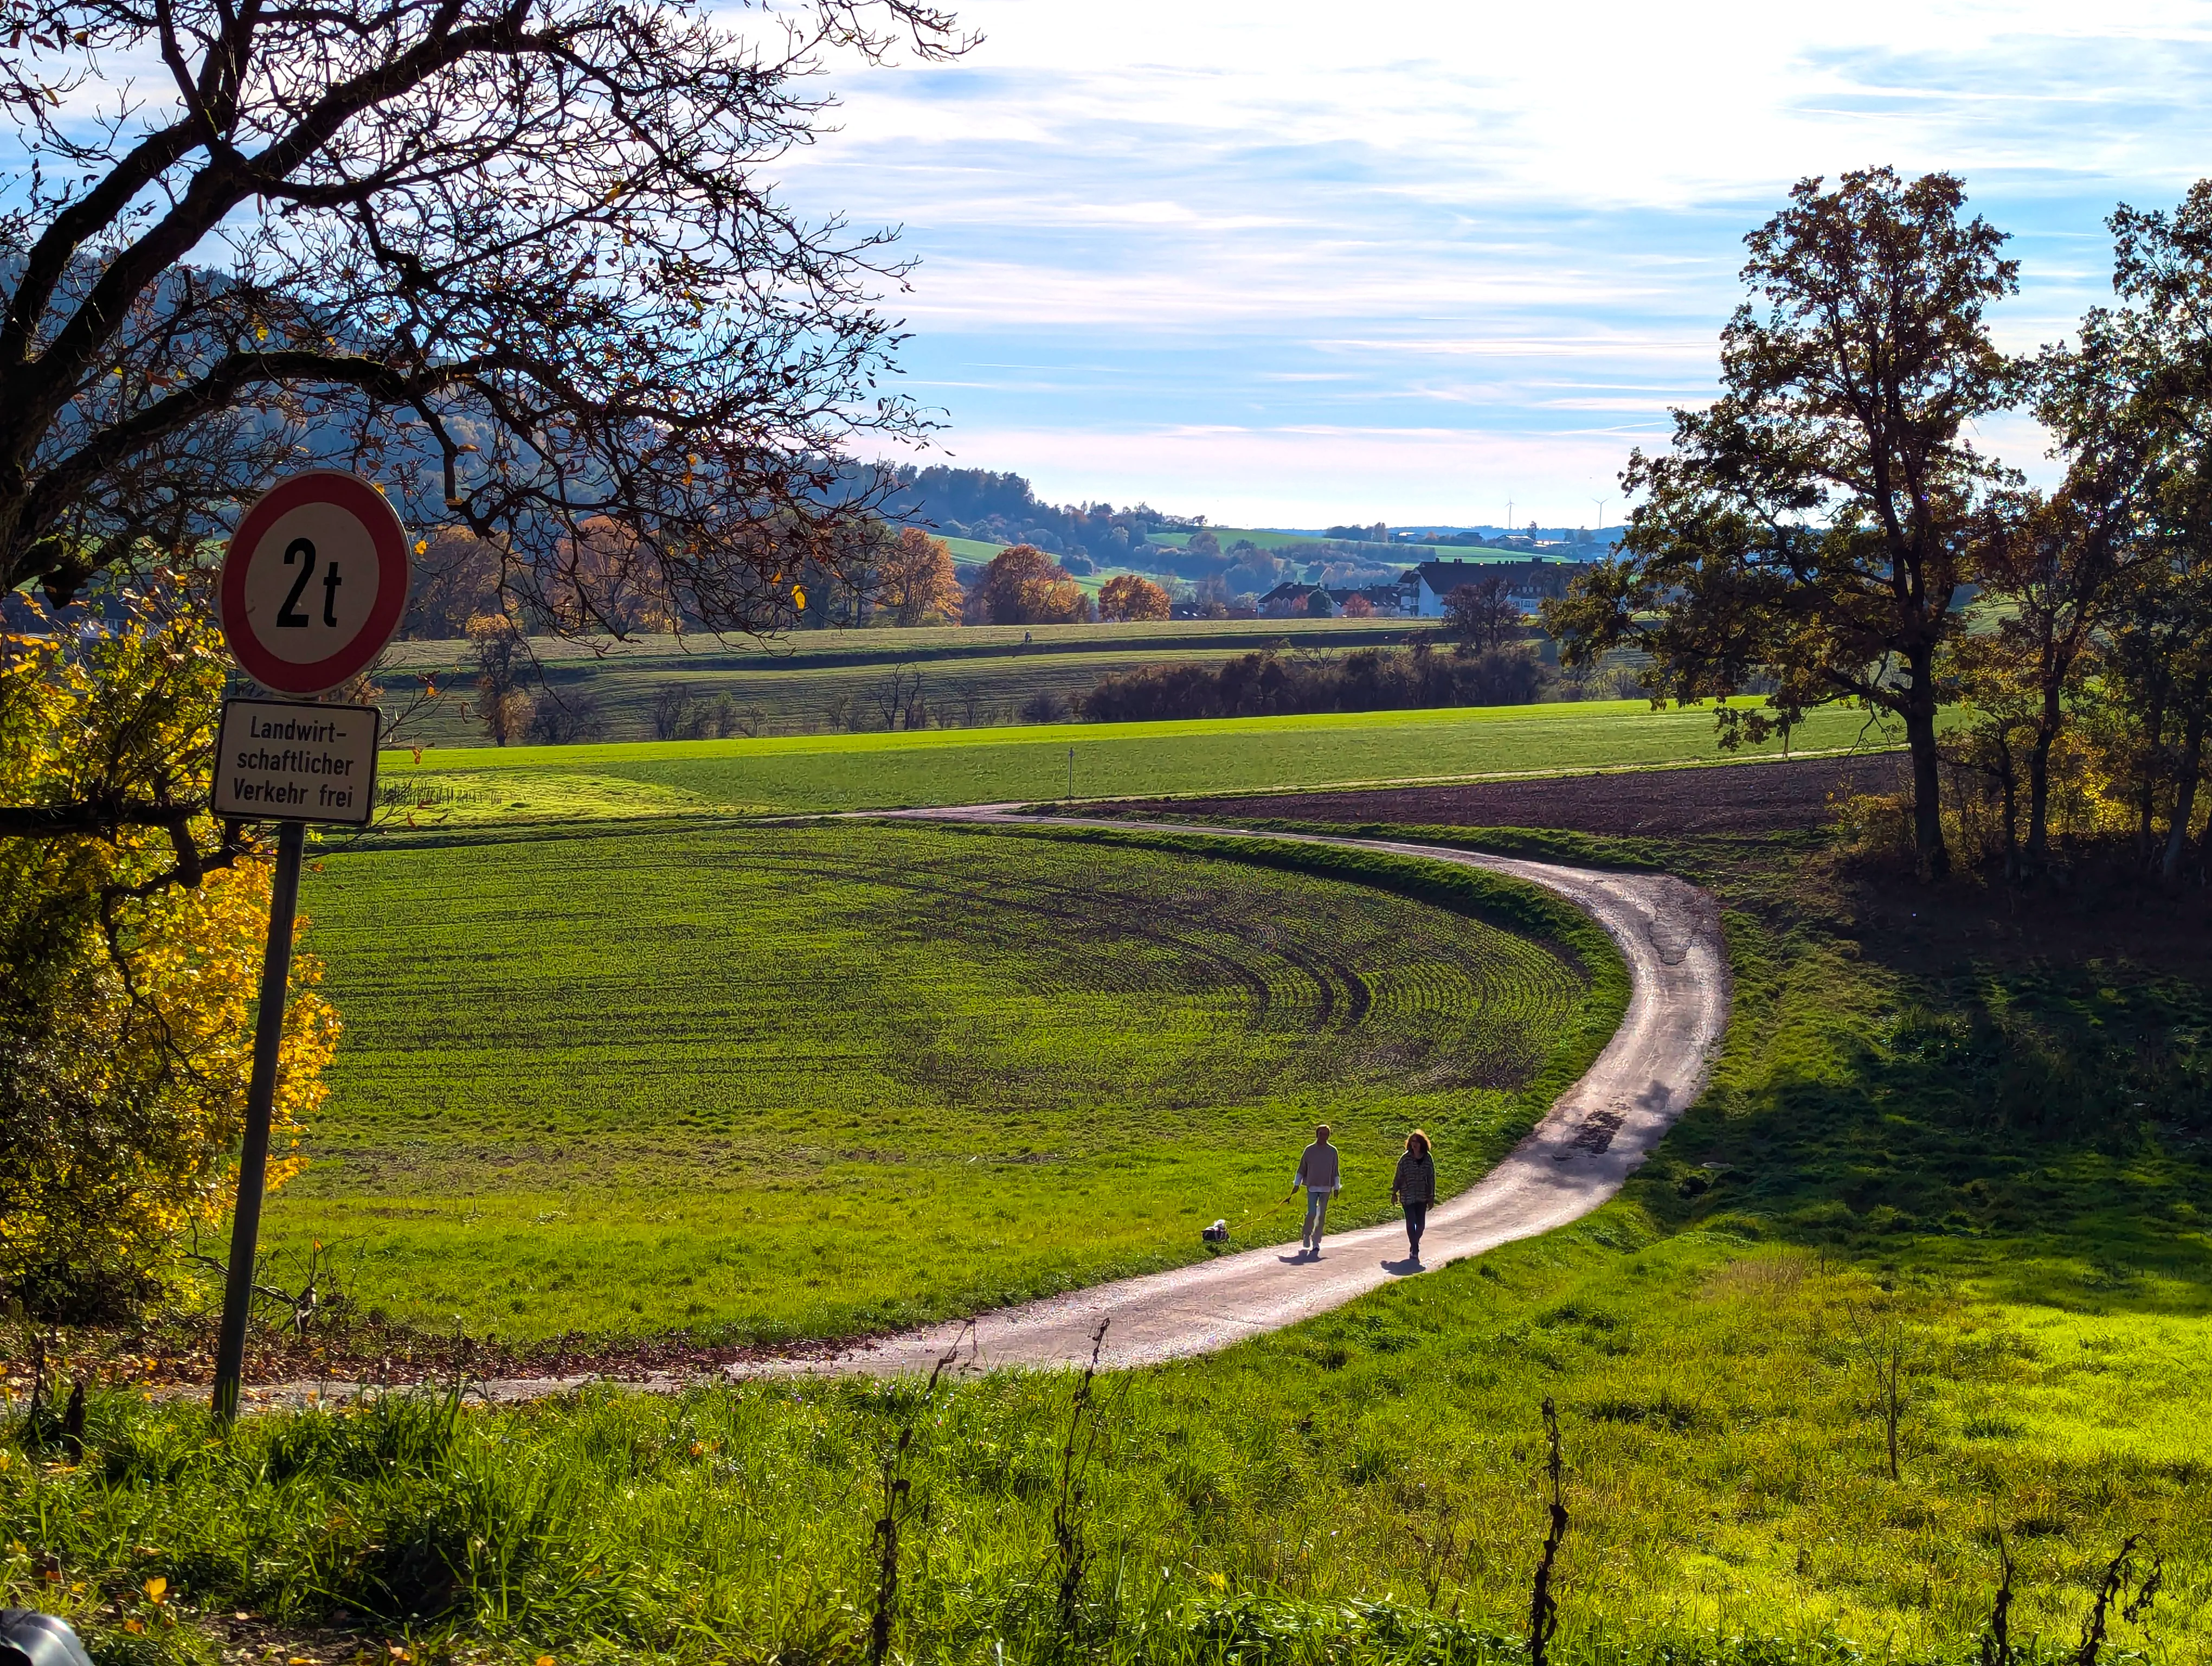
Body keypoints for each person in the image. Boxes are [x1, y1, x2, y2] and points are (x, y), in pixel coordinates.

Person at [1294, 1123, 1340, 1256]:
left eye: (1326, 1135)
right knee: (1312, 1213)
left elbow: (1335, 1170)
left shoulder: (1332, 1151)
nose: (1323, 1137)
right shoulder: (1309, 1150)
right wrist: (1297, 1185)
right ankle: (1306, 1234)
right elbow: (1302, 1168)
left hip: (1326, 1187)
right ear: (1317, 1135)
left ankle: (1316, 1241)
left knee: (1321, 1216)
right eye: (1321, 1134)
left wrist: (1336, 1187)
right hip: (1312, 1187)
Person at [1392, 1129, 1436, 1263]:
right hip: (1408, 1196)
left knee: (1421, 1225)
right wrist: (1394, 1192)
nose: (1414, 1145)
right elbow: (1399, 1176)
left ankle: (1414, 1243)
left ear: (1422, 1144)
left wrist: (1431, 1196)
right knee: (1411, 1223)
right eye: (1412, 1142)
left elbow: (1431, 1178)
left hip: (1422, 1197)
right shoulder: (1405, 1159)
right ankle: (1415, 1249)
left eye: (1416, 1142)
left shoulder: (1428, 1159)